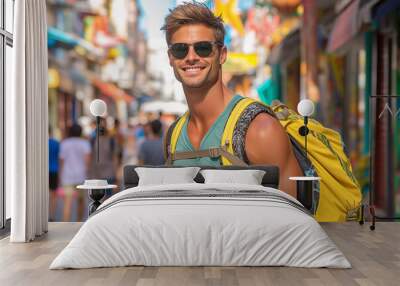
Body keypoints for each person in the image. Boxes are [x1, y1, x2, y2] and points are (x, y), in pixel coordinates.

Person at [161, 2, 303, 197]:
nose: (191, 57)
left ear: (222, 55)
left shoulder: (260, 129)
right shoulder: (173, 136)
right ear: (170, 58)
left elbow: (293, 218)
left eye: (203, 48)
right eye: (180, 50)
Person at [59, 124, 91, 221]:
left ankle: (65, 226)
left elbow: (61, 161)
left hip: (67, 176)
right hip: (81, 175)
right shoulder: (85, 143)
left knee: (67, 203)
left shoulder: (64, 143)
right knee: (81, 201)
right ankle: (78, 223)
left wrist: (60, 175)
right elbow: (88, 160)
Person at [88, 119, 118, 197]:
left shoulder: (93, 141)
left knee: (100, 198)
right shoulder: (93, 140)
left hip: (101, 174)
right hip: (104, 174)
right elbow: (115, 158)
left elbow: (89, 158)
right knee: (107, 198)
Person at [48, 126, 60, 221]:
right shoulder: (56, 143)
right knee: (53, 195)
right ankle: (52, 215)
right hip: (54, 170)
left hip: (43, 172)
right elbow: (60, 158)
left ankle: (43, 214)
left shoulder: (40, 143)